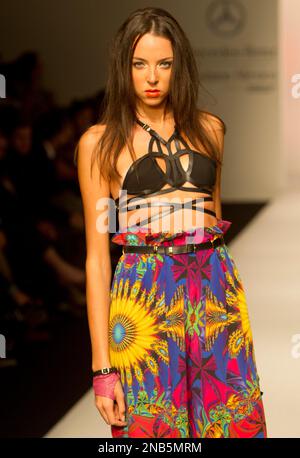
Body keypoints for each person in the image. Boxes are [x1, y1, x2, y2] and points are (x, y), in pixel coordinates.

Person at [75, 6, 268, 438]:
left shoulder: (210, 130)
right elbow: (97, 260)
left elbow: (215, 223)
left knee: (228, 425)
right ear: (123, 67)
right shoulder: (99, 143)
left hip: (214, 294)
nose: (152, 78)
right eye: (139, 64)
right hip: (143, 298)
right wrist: (102, 367)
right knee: (154, 432)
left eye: (164, 64)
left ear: (179, 66)